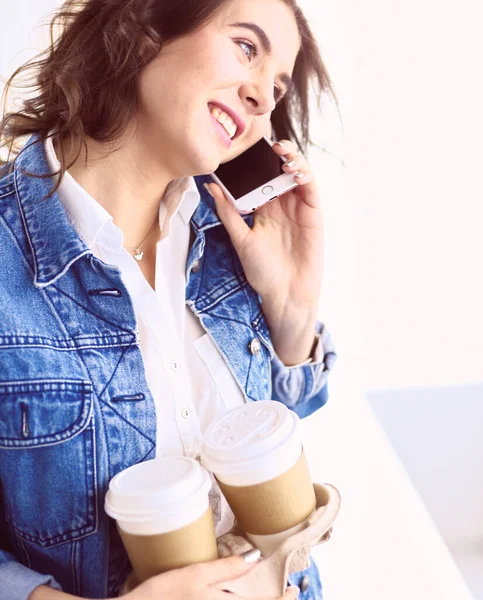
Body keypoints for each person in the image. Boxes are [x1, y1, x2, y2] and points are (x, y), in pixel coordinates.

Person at [0, 0, 338, 598]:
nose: (264, 97)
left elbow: (285, 423)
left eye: (278, 87)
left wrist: (290, 308)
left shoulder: (234, 239)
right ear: (145, 24)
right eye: (246, 47)